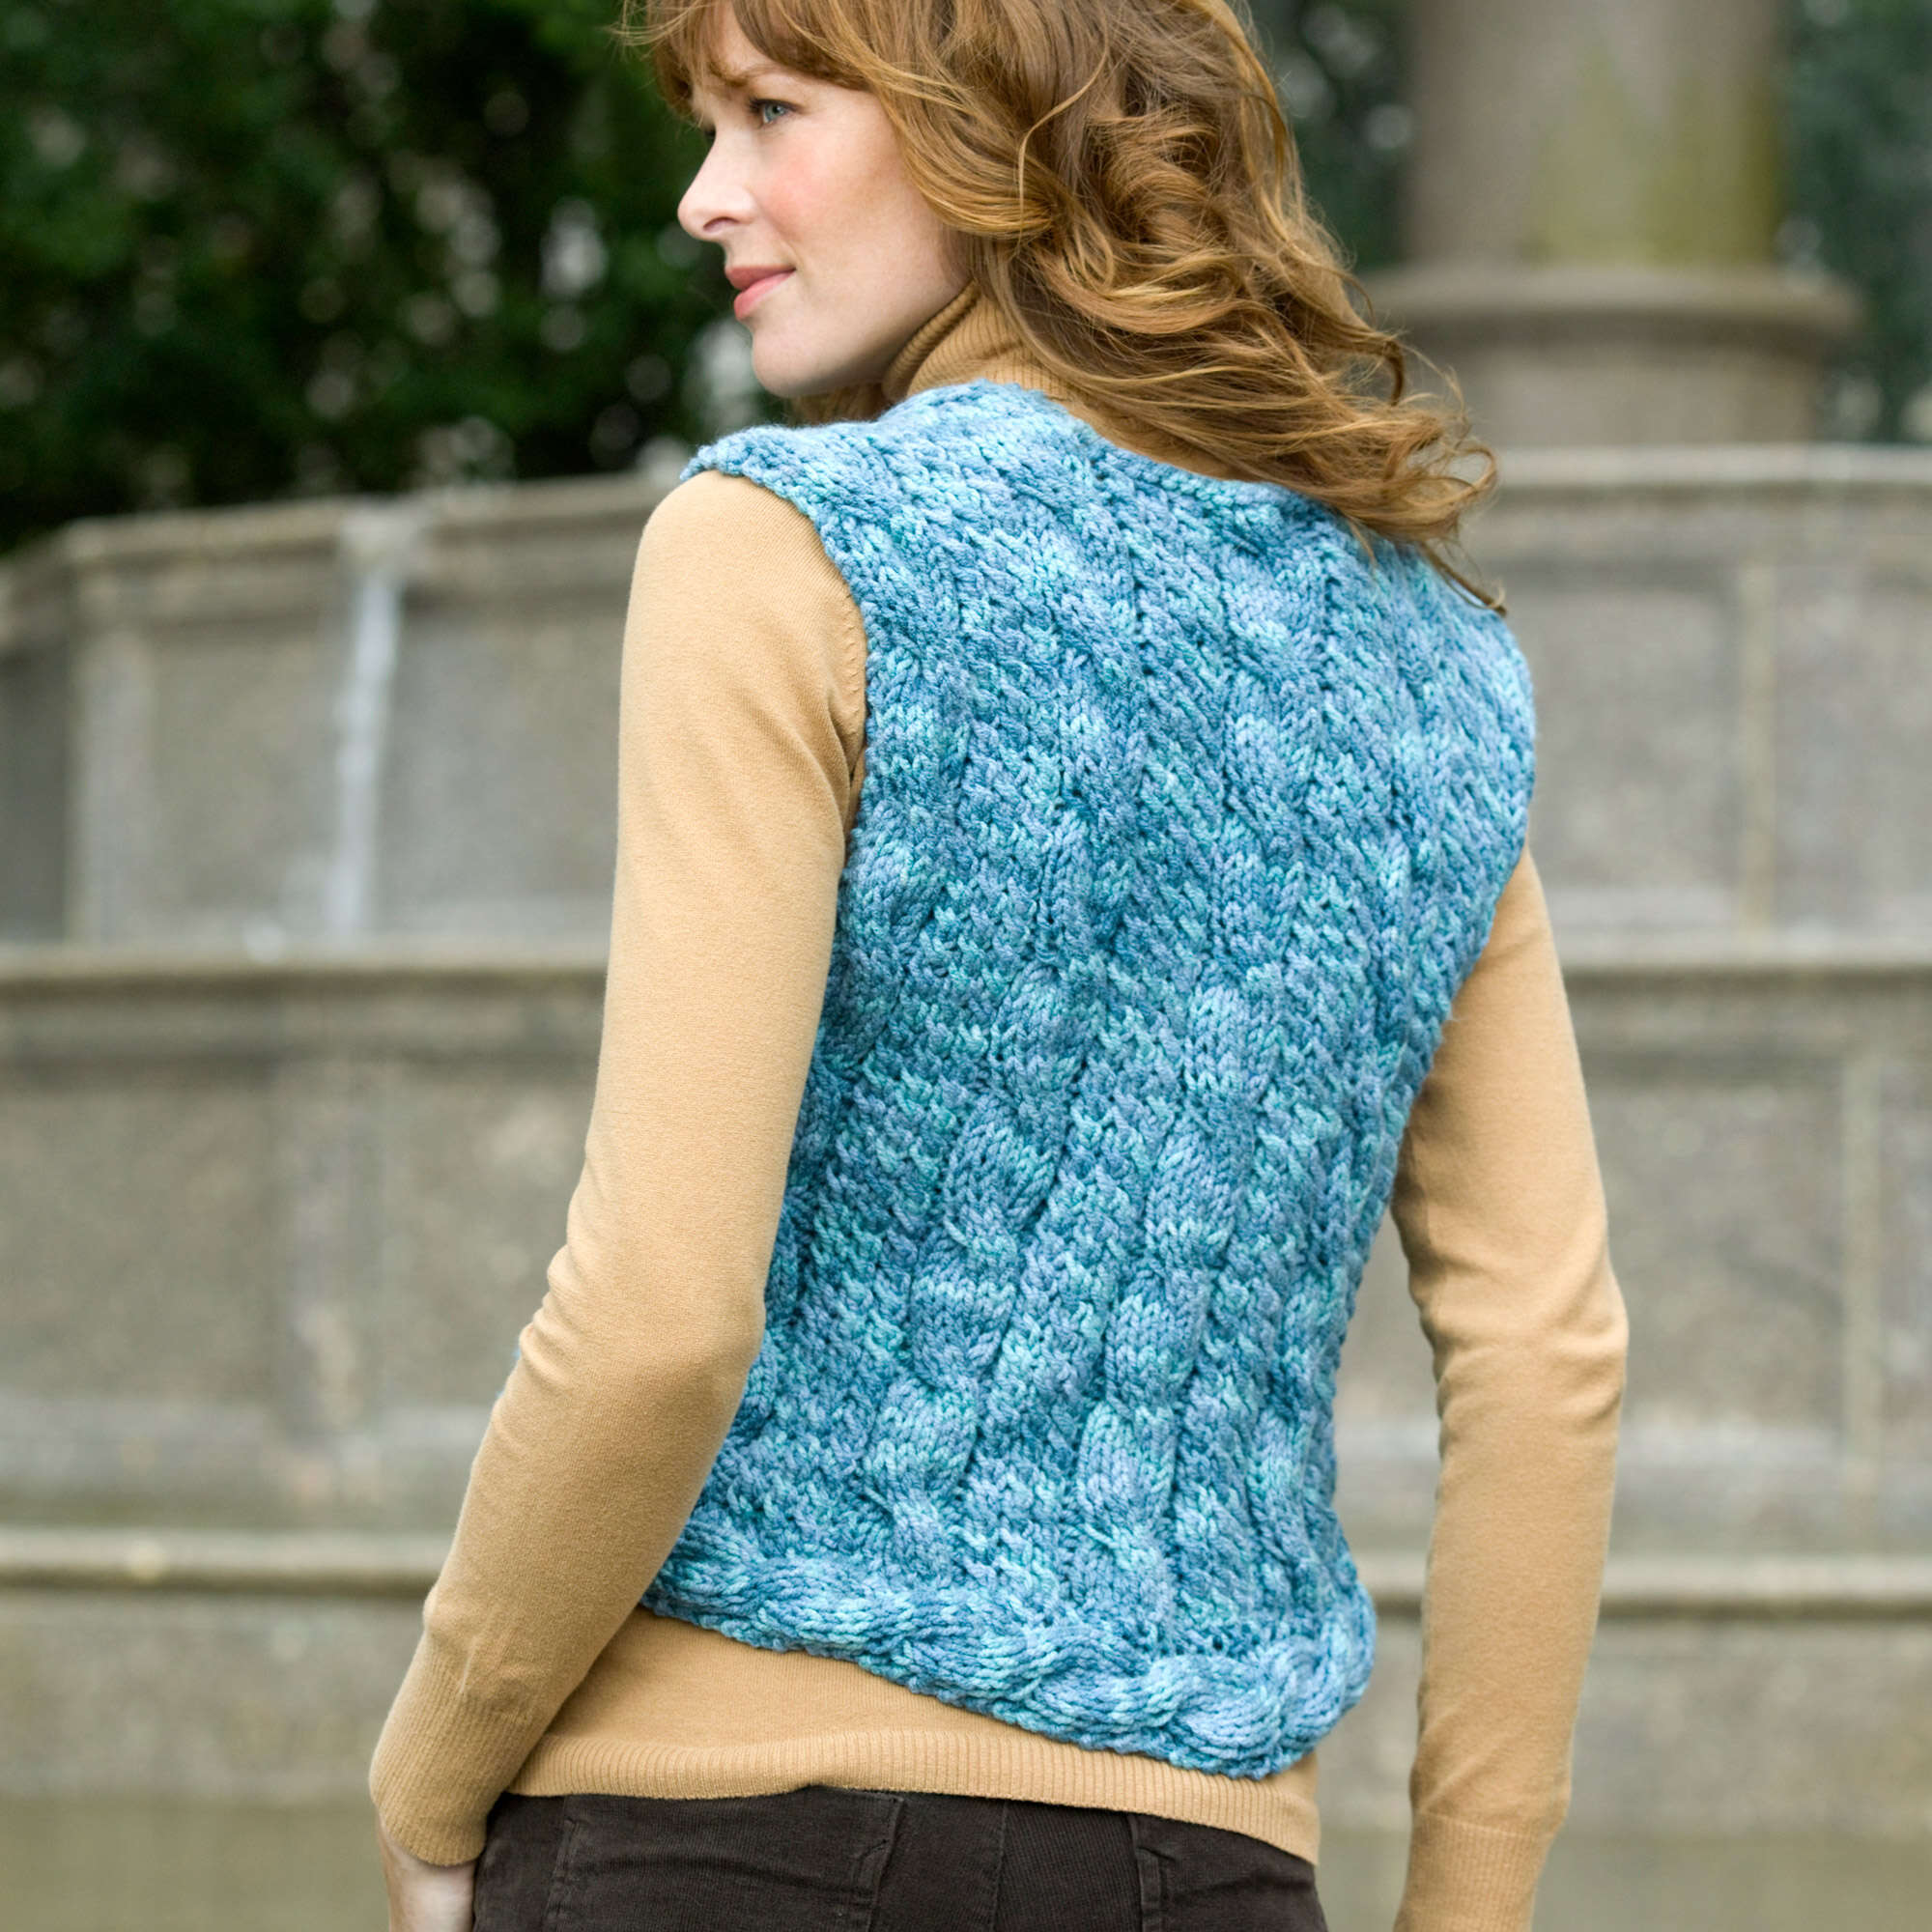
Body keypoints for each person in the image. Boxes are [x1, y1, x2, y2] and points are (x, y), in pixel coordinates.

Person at [370, 0, 1629, 1926]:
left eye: (771, 109)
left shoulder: (782, 550)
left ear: (993, 121)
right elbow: (1548, 1353)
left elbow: (661, 1318)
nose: (706, 194)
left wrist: (432, 1771)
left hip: (716, 1835)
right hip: (1205, 1862)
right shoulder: (1433, 670)